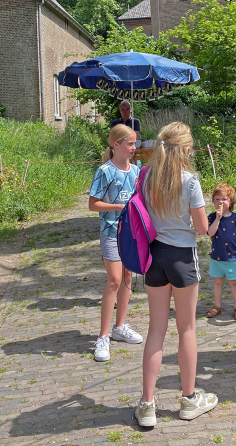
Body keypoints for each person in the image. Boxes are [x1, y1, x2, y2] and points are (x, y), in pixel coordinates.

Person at [134, 122, 217, 428]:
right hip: (182, 258)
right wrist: (215, 217)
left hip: (154, 258)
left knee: (156, 330)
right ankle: (188, 399)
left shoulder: (147, 177)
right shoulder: (190, 181)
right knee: (186, 330)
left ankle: (147, 404)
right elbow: (200, 229)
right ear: (185, 149)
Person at [89, 124, 144, 362]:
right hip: (111, 231)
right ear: (116, 145)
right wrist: (118, 207)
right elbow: (93, 204)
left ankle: (120, 327)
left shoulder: (137, 170)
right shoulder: (104, 171)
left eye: (135, 144)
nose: (134, 148)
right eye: (130, 144)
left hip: (131, 233)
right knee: (114, 280)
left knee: (128, 279)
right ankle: (102, 336)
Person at [205, 183, 236, 321]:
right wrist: (217, 219)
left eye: (224, 199)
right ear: (213, 202)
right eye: (217, 199)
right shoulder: (212, 217)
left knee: (234, 283)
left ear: (230, 202)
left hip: (232, 258)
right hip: (217, 258)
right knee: (218, 283)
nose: (221, 202)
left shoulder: (235, 218)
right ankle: (217, 306)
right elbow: (210, 232)